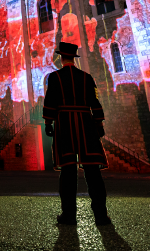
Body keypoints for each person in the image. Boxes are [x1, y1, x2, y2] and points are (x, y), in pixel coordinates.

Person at [43, 42, 111, 226]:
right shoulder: (86, 77)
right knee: (92, 172)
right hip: (85, 123)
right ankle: (101, 216)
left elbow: (50, 100)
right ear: (74, 57)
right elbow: (94, 101)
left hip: (65, 123)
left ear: (60, 57)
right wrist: (98, 121)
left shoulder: (55, 77)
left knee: (68, 171)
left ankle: (69, 215)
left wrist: (48, 121)